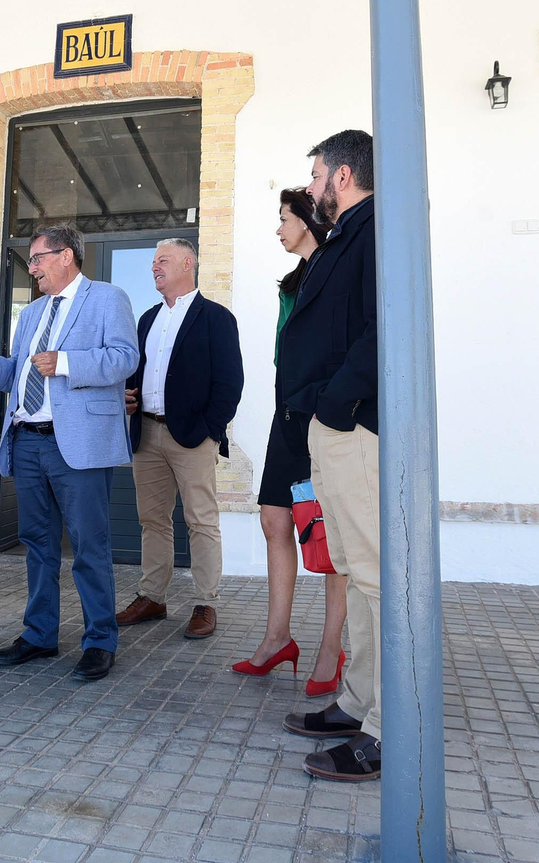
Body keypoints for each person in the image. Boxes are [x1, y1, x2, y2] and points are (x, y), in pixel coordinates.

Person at [0, 224, 138, 683]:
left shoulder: (108, 298)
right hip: (27, 439)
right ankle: (40, 634)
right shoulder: (31, 312)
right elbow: (22, 372)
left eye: (38, 258)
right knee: (38, 544)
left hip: (77, 444)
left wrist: (65, 362)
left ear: (67, 256)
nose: (32, 268)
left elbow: (125, 358)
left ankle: (100, 641)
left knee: (88, 545)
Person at [279, 130, 382, 782]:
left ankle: (387, 731)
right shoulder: (345, 235)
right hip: (331, 426)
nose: (312, 186)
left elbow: (380, 328)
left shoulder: (376, 231)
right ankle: (357, 704)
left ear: (343, 176)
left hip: (355, 426)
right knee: (352, 568)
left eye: (317, 175)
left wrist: (335, 404)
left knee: (374, 577)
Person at [232, 188, 348, 697]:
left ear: (307, 220)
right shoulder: (292, 282)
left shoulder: (337, 268)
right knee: (274, 520)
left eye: (284, 218)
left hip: (324, 415)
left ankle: (331, 648)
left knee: (329, 533)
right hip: (287, 415)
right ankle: (278, 638)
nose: (278, 229)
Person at [118, 239, 243, 640]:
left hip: (193, 437)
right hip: (147, 433)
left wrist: (210, 429)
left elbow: (230, 383)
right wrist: (129, 395)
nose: (154, 267)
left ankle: (206, 601)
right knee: (152, 520)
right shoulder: (147, 319)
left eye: (163, 260)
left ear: (188, 263)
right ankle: (152, 596)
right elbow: (137, 372)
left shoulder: (216, 318)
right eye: (153, 262)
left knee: (201, 520)